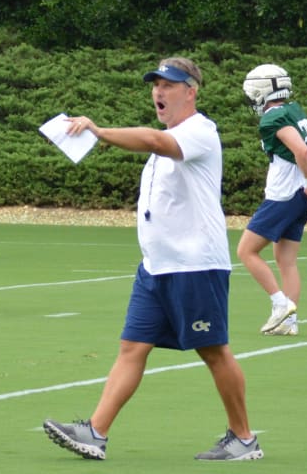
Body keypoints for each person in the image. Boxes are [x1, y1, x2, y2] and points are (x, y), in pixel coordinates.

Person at [43, 58, 263, 461]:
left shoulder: (199, 130)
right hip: (156, 267)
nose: (159, 92)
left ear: (191, 91)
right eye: (155, 84)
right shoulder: (169, 135)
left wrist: (99, 131)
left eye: (170, 85)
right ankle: (96, 432)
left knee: (214, 351)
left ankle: (244, 438)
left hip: (194, 265)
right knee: (132, 347)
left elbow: (155, 141)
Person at [237, 64, 307, 336]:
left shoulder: (273, 118)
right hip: (299, 196)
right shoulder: (294, 109)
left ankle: (279, 304)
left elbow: (300, 151)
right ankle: (289, 322)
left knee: (246, 251)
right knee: (286, 261)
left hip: (283, 194)